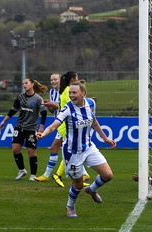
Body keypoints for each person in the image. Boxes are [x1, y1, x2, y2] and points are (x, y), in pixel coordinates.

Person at [36, 81, 116, 218]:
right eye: (70, 93)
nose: (71, 95)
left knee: (108, 175)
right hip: (72, 152)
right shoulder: (67, 109)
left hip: (89, 147)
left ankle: (91, 189)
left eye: (74, 93)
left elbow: (94, 121)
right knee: (78, 184)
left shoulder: (91, 103)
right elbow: (54, 125)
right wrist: (44, 133)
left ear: (83, 93)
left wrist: (105, 138)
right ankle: (70, 206)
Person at [34, 72, 90, 187]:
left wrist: (53, 105)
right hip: (62, 124)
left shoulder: (68, 91)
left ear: (61, 80)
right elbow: (57, 110)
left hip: (66, 124)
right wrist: (49, 105)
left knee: (70, 148)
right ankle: (53, 174)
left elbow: (65, 107)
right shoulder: (55, 92)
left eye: (55, 79)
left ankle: (57, 174)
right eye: (51, 80)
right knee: (62, 148)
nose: (53, 82)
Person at [0, 78, 48, 181]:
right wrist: (4, 121)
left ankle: (33, 175)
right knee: (15, 149)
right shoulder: (20, 97)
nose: (24, 85)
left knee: (32, 152)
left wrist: (41, 128)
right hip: (19, 126)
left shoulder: (38, 99)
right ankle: (22, 170)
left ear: (32, 84)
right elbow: (13, 110)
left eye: (26, 83)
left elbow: (44, 113)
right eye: (23, 84)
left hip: (31, 128)